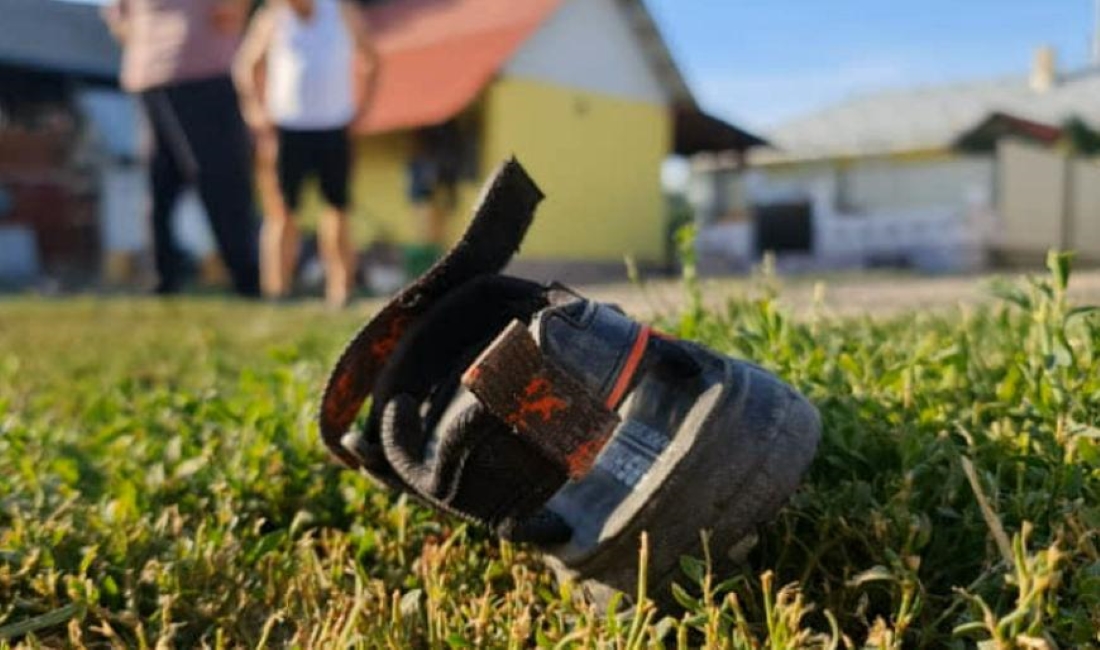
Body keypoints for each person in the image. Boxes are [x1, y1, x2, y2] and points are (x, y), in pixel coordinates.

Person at [103, 0, 261, 297]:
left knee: (165, 183)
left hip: (156, 71)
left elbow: (118, 17)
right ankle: (246, 279)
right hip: (192, 69)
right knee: (217, 180)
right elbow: (118, 16)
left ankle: (165, 278)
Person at [234, 0, 378, 307]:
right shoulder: (273, 17)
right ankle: (276, 292)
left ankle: (341, 290)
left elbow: (371, 59)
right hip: (287, 128)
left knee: (337, 209)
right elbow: (246, 66)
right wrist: (255, 111)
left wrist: (363, 108)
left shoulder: (341, 11)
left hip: (334, 126)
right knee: (282, 212)